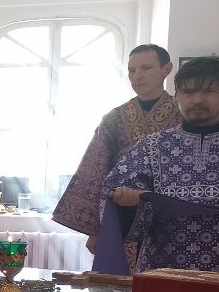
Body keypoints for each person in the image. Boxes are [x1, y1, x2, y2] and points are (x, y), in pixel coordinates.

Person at [53, 44, 181, 259]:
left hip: (168, 213)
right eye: (132, 70)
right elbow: (94, 170)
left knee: (165, 276)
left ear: (166, 69)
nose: (137, 76)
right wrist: (95, 229)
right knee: (118, 277)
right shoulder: (114, 118)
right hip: (121, 213)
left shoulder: (183, 114)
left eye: (146, 68)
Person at [101, 56, 219, 272]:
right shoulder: (151, 145)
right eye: (188, 92)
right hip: (161, 265)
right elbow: (114, 196)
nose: (197, 100)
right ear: (177, 97)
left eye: (209, 91)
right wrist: (128, 203)